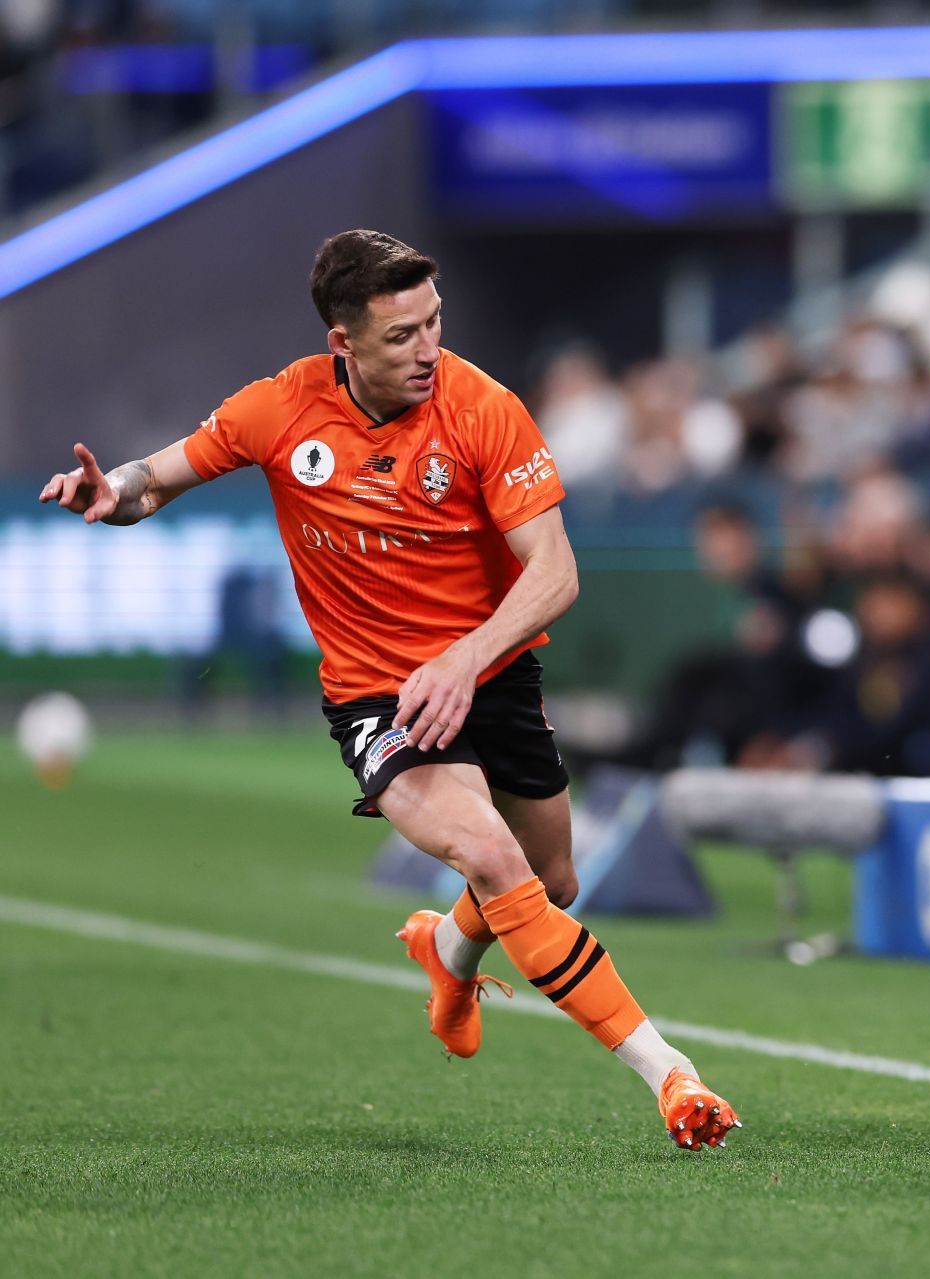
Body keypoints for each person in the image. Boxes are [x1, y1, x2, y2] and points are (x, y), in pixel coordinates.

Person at [37, 230, 738, 1152]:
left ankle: (446, 954)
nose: (427, 348)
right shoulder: (278, 409)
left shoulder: (484, 408)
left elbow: (556, 572)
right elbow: (153, 480)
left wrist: (467, 655)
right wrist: (111, 489)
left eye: (434, 323)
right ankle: (672, 1074)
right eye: (402, 333)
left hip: (489, 672)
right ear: (344, 342)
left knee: (554, 881)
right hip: (378, 695)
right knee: (492, 856)